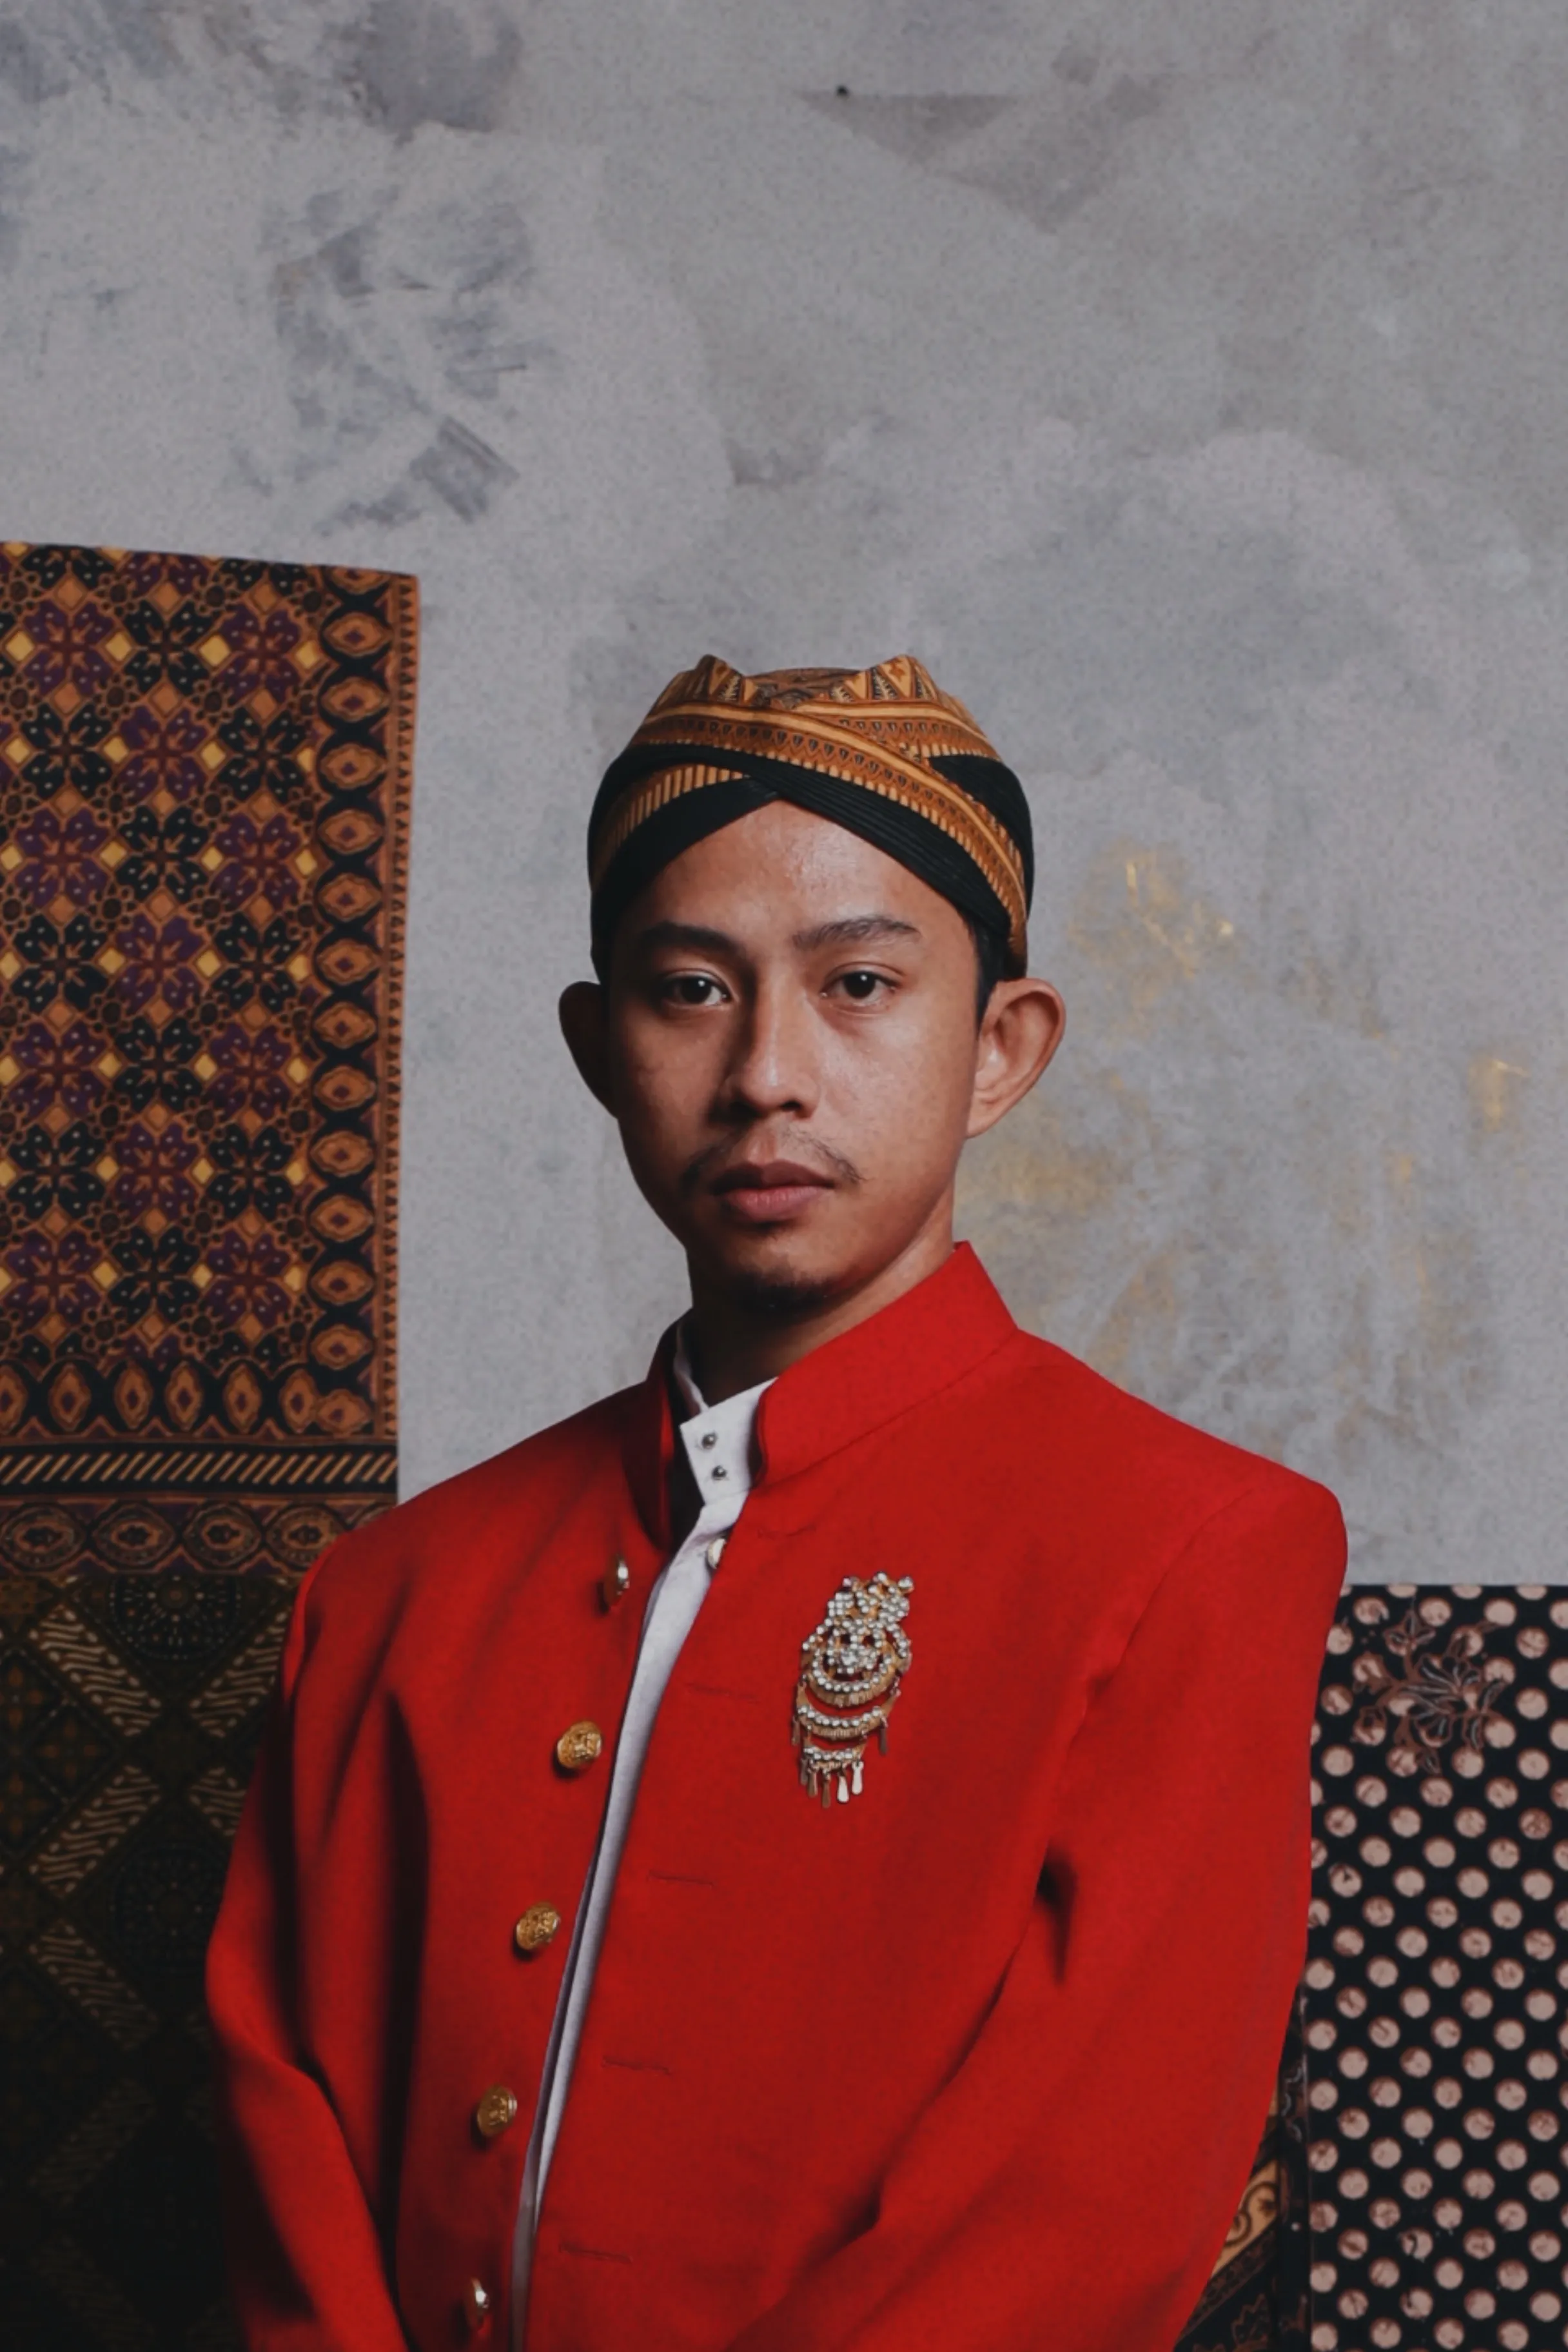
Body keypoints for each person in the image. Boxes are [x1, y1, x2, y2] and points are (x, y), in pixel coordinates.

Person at [206, 655, 1345, 2352]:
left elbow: (1078, 2207)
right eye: (688, 989)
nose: (764, 1074)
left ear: (1000, 1048)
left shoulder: (1191, 1548)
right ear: (600, 1049)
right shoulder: (393, 1591)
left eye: (860, 983)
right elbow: (283, 2137)